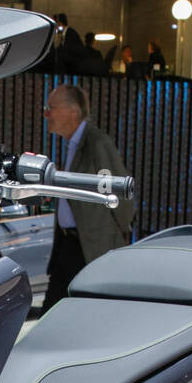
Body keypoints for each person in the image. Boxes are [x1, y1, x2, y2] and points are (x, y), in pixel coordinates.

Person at [40, 84, 135, 315]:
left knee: (79, 312)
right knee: (55, 311)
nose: (46, 114)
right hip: (69, 245)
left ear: (73, 111)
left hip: (88, 248)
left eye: (50, 107)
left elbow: (121, 195)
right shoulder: (74, 144)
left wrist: (118, 236)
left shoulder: (96, 143)